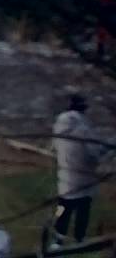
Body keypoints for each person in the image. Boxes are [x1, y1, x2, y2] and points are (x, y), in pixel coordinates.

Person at [52, 94, 104, 246]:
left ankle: (58, 239)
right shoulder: (84, 129)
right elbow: (94, 152)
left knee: (62, 208)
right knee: (83, 210)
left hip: (65, 176)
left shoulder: (59, 126)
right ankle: (79, 238)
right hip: (83, 178)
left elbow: (55, 148)